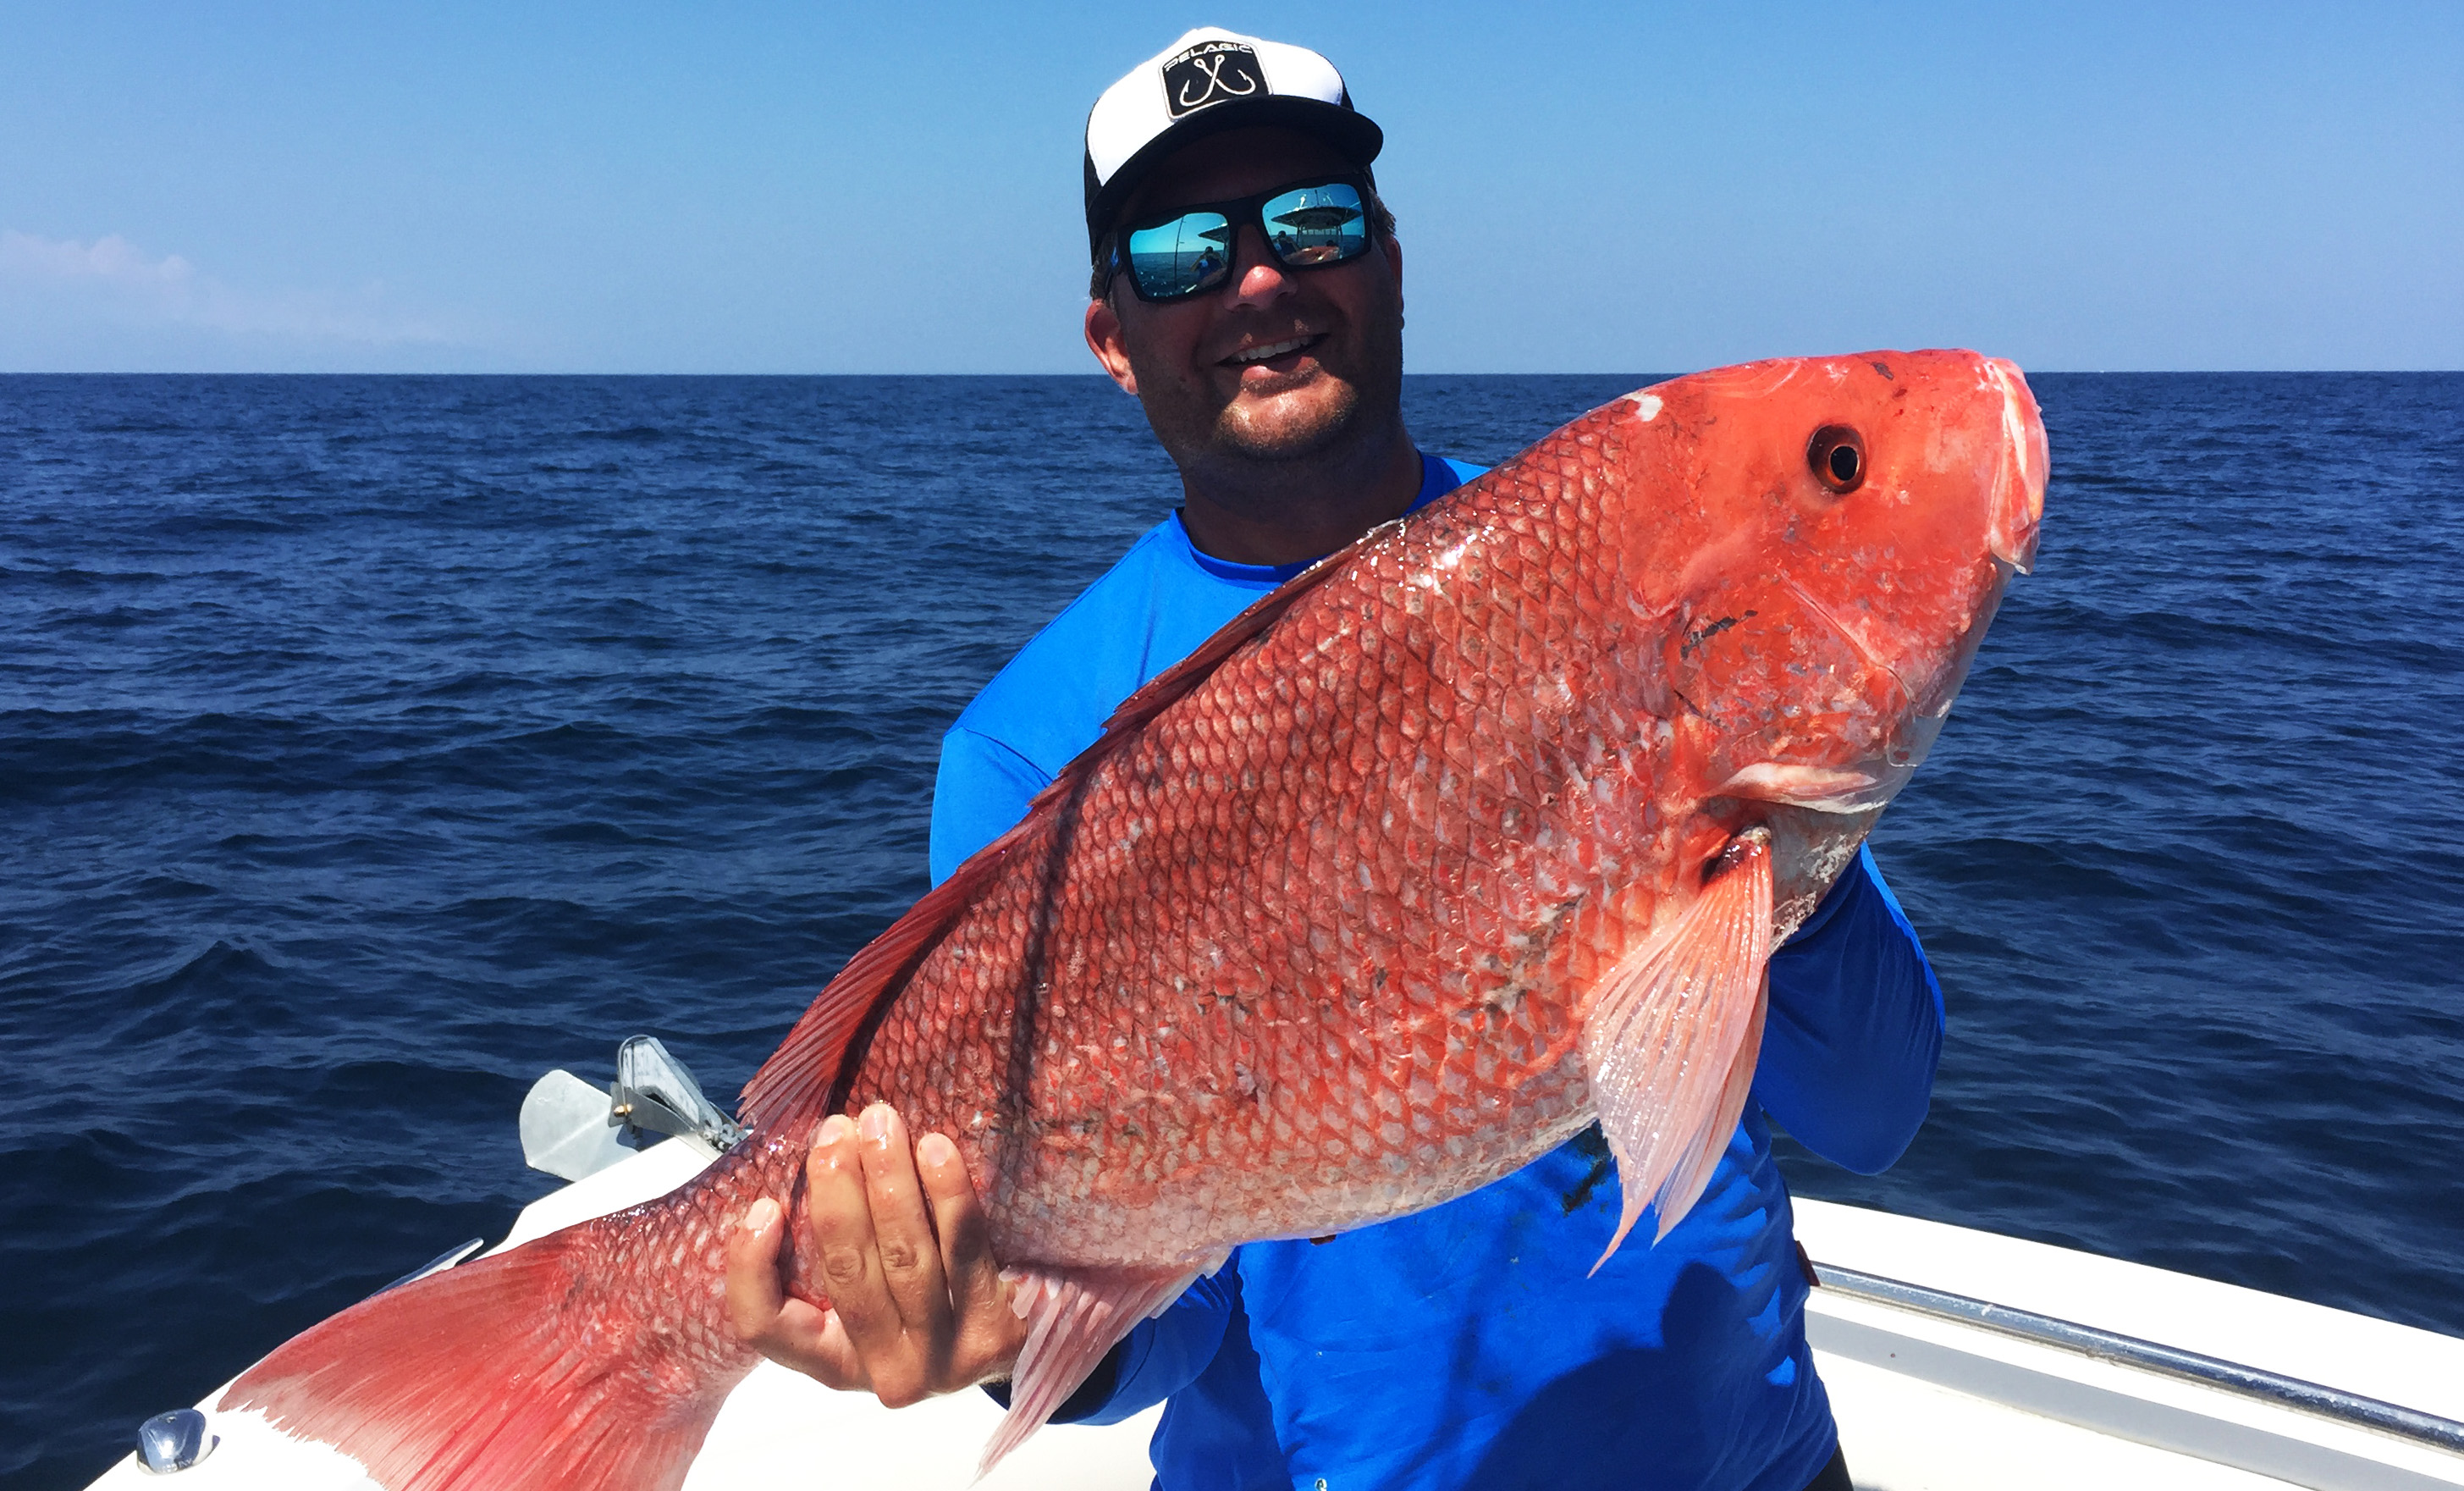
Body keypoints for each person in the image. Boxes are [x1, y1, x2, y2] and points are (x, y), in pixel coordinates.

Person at [726, 28, 1943, 1491]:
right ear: (1113, 335)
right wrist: (994, 1329)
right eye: (1180, 248)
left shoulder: (1619, 577)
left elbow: (1872, 1107)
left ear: (1391, 263)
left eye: (1312, 219)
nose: (1257, 278)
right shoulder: (1028, 749)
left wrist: (1746, 817)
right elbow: (1165, 1327)